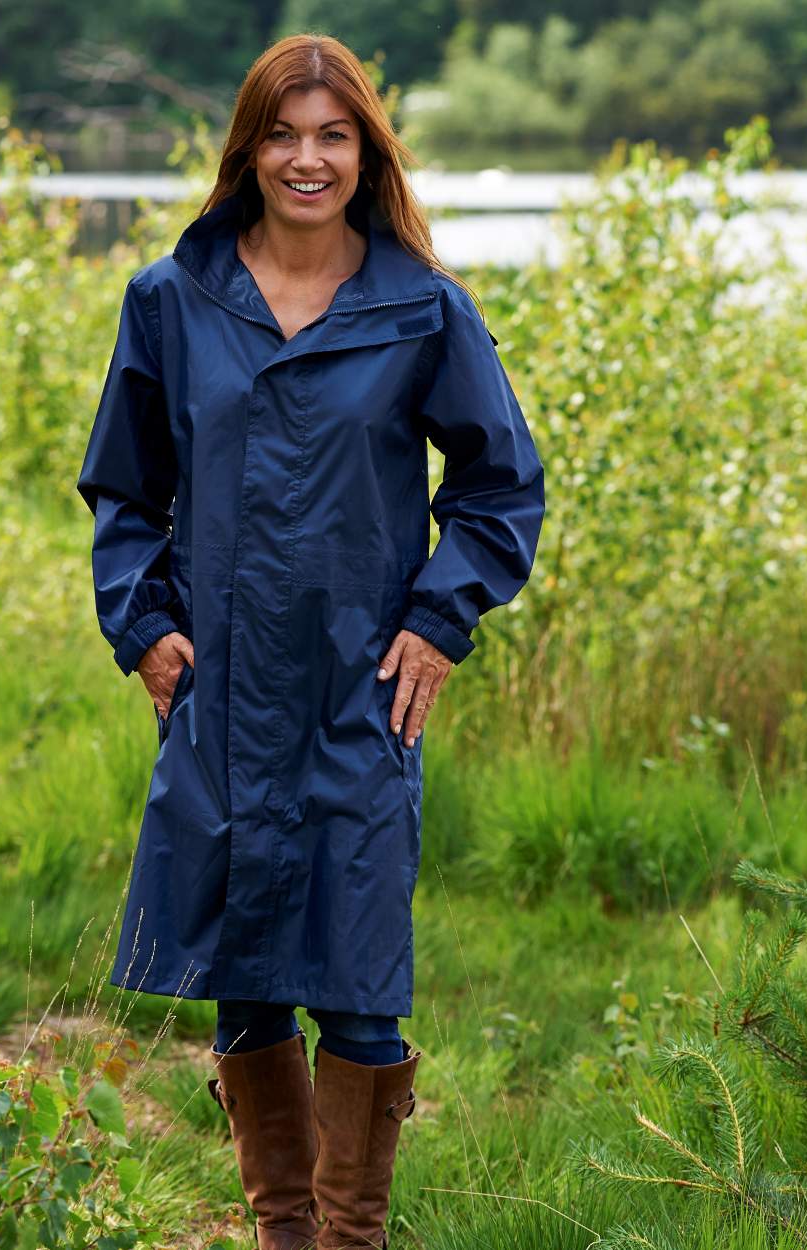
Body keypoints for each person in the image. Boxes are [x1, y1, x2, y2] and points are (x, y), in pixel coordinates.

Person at [76, 32, 545, 1250]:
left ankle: (348, 1238)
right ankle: (282, 1232)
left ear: (366, 154)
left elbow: (498, 486)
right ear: (247, 149)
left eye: (334, 136)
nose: (307, 159)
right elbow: (124, 490)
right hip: (223, 694)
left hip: (357, 695)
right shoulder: (172, 300)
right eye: (283, 134)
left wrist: (438, 619)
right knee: (245, 981)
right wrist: (144, 624)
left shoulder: (421, 308)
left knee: (360, 986)